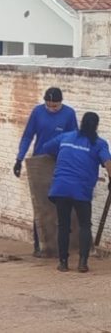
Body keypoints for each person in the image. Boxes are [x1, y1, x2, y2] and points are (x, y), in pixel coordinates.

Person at [41, 112, 111, 272]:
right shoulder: (99, 144)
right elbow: (108, 162)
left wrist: (63, 155)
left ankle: (63, 263)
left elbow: (47, 147)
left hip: (60, 188)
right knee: (85, 225)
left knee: (63, 226)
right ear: (96, 126)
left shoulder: (66, 137)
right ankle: (82, 263)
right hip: (81, 191)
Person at [14, 87, 78, 256]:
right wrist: (19, 159)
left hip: (60, 161)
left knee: (61, 204)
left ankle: (62, 245)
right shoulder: (37, 112)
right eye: (48, 106)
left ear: (61, 103)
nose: (51, 109)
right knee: (40, 204)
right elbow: (28, 135)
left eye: (55, 106)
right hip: (40, 162)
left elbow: (74, 137)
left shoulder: (69, 114)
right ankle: (39, 245)